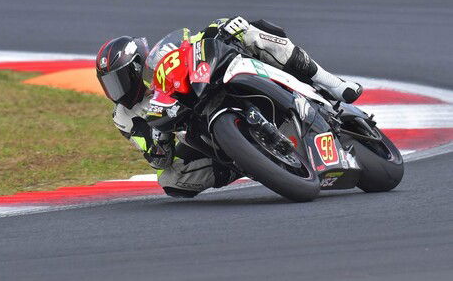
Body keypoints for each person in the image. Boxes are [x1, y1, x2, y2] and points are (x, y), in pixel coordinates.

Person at [96, 17, 362, 198]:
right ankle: (246, 163)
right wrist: (157, 140)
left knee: (246, 29)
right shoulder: (124, 115)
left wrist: (218, 31)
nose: (115, 90)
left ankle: (330, 81)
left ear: (135, 66)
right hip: (197, 127)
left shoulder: (163, 52)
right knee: (170, 179)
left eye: (117, 80)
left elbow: (192, 41)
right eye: (109, 84)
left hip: (210, 78)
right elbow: (158, 159)